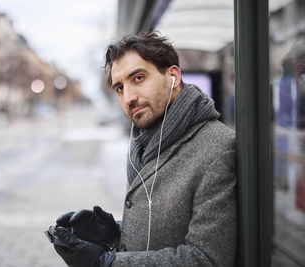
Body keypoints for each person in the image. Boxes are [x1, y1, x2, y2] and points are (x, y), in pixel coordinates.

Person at [48, 32, 237, 266]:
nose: (128, 97)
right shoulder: (146, 142)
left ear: (173, 77)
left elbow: (208, 258)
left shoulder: (217, 147)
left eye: (138, 78)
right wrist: (115, 235)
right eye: (119, 88)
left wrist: (107, 263)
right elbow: (165, 233)